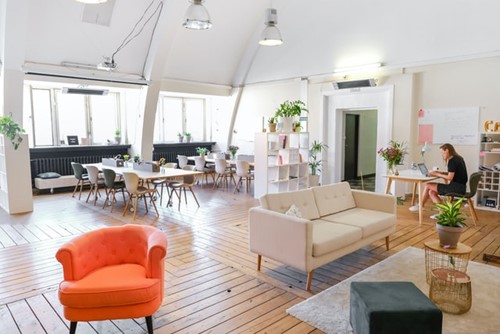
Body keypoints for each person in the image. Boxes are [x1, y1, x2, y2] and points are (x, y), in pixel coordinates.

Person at [409, 143, 468, 219]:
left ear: (447, 150)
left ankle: (421, 205)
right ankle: (442, 213)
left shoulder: (451, 160)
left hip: (455, 188)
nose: (442, 155)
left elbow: (450, 177)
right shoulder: (458, 158)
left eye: (442, 152)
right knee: (431, 192)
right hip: (461, 187)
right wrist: (441, 173)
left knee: (427, 185)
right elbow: (453, 173)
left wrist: (437, 174)